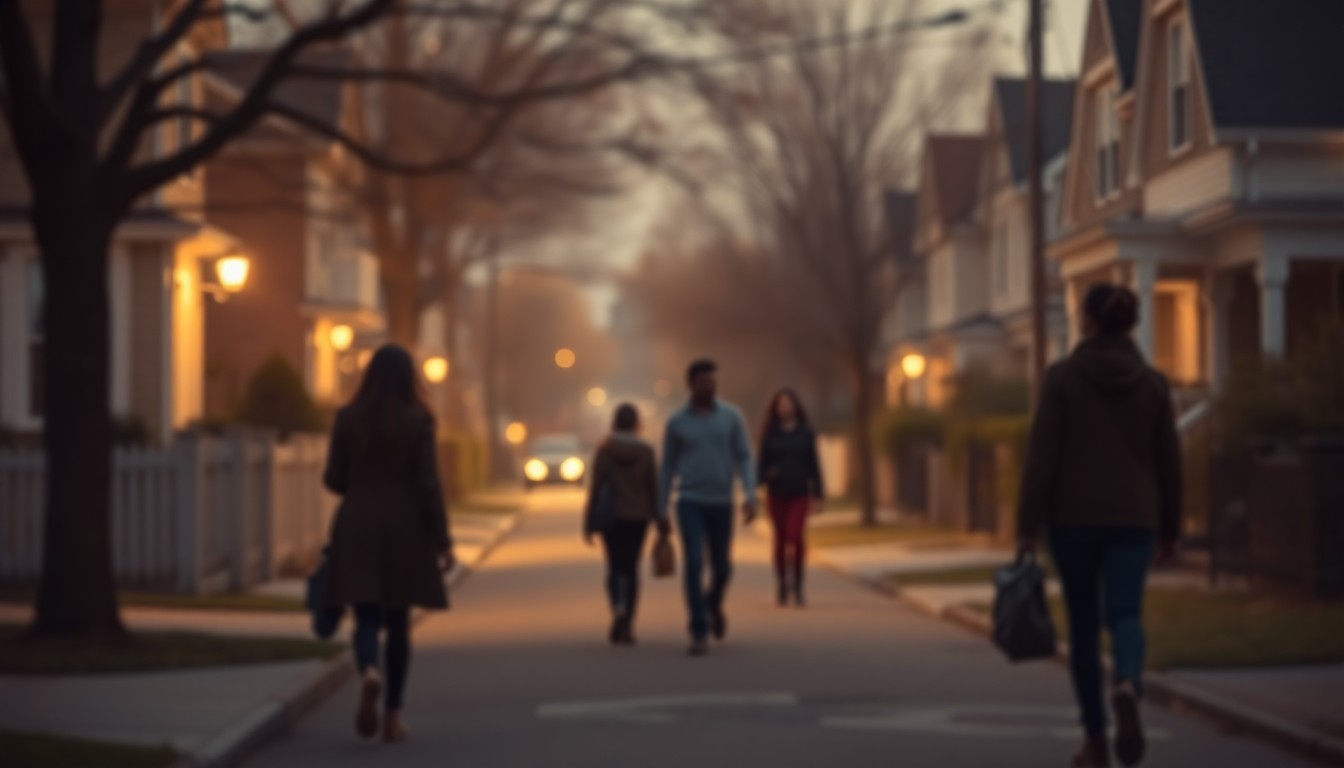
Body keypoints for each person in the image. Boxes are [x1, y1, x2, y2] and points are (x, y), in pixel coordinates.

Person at [1017, 284, 1181, 768]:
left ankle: (1095, 741)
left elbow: (1041, 458)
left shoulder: (1063, 379)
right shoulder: (1153, 385)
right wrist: (1170, 528)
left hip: (1073, 521)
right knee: (1126, 613)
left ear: (1087, 320)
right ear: (1129, 324)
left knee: (1084, 629)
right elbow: (1169, 463)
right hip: (1134, 518)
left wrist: (1027, 526)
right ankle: (1128, 681)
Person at [322, 344, 456, 744]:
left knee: (365, 615)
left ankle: (368, 672)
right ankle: (392, 717)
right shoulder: (419, 421)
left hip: (358, 522)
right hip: (405, 527)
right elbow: (428, 485)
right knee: (398, 622)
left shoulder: (347, 419)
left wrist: (359, 485)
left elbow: (333, 478)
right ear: (409, 378)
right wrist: (443, 540)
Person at [659, 359, 757, 657]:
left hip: (722, 502)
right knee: (694, 563)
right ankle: (698, 630)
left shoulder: (731, 416)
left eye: (713, 380)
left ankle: (713, 603)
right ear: (691, 385)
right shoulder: (677, 422)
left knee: (723, 567)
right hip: (689, 501)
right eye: (703, 381)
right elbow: (666, 467)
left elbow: (744, 456)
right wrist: (660, 508)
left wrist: (750, 493)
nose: (710, 386)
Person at [583, 403, 668, 646]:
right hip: (637, 518)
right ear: (635, 423)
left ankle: (616, 607)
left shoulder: (605, 450)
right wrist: (660, 517)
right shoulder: (646, 451)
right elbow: (653, 486)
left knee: (613, 565)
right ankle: (628, 621)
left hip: (610, 517)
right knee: (631, 568)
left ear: (614, 422)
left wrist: (589, 522)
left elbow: (596, 487)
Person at [757, 388, 825, 607]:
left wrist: (819, 492)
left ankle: (798, 583)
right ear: (775, 409)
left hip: (800, 492)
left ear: (795, 406)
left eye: (788, 403)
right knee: (780, 538)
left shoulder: (806, 432)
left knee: (795, 536)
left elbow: (814, 463)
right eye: (780, 404)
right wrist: (762, 480)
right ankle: (782, 584)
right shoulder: (769, 433)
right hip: (776, 492)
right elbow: (761, 462)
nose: (784, 407)